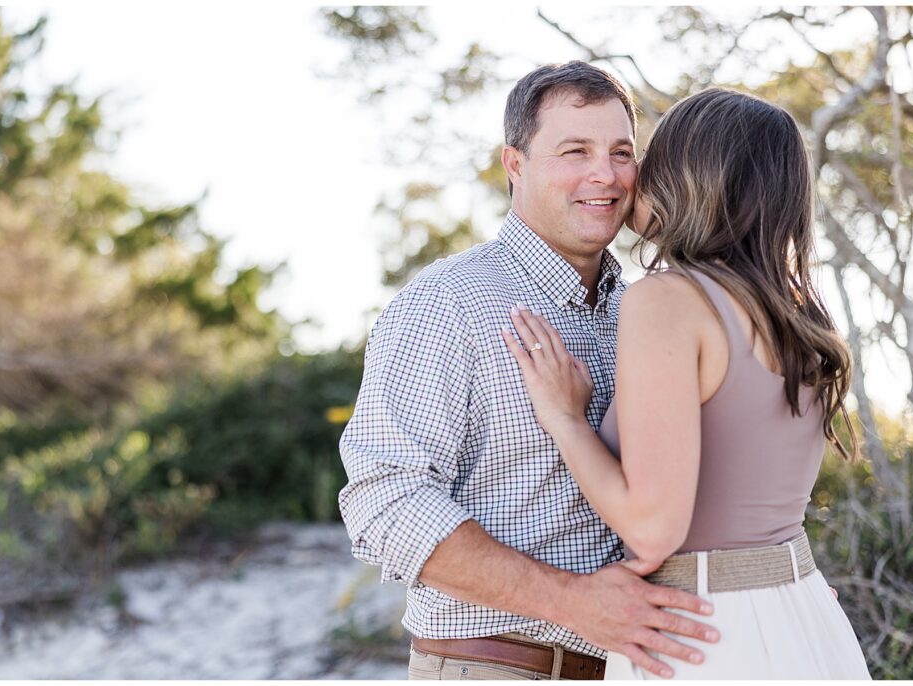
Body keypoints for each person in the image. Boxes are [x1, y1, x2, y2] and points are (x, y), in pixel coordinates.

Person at [339, 61, 719, 681]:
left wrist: (776, 586)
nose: (606, 174)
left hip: (642, 668)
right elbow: (385, 502)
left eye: (622, 152)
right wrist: (573, 604)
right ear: (515, 165)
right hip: (500, 668)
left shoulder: (650, 311)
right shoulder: (447, 302)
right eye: (576, 150)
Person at [503, 87, 871, 679]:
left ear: (693, 176)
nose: (633, 174)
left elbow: (652, 533)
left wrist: (567, 420)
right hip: (804, 615)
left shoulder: (669, 302)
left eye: (650, 155)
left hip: (699, 635)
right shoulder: (801, 313)